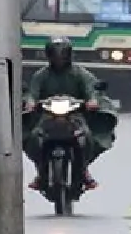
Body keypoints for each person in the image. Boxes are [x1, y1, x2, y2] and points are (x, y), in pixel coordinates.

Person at [21, 38, 107, 191]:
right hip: (48, 117)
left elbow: (91, 89)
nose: (59, 59)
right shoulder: (41, 75)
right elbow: (32, 93)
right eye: (55, 55)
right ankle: (41, 171)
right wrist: (30, 102)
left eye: (62, 55)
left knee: (87, 136)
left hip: (74, 116)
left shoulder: (80, 73)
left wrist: (92, 101)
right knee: (33, 137)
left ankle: (84, 170)